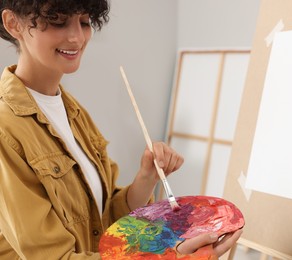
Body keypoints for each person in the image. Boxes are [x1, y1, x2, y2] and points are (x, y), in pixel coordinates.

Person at [0, 0, 242, 259]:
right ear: (13, 23)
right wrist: (167, 256)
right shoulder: (6, 130)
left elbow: (105, 221)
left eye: (84, 22)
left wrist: (146, 176)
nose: (77, 37)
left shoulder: (72, 111)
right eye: (58, 21)